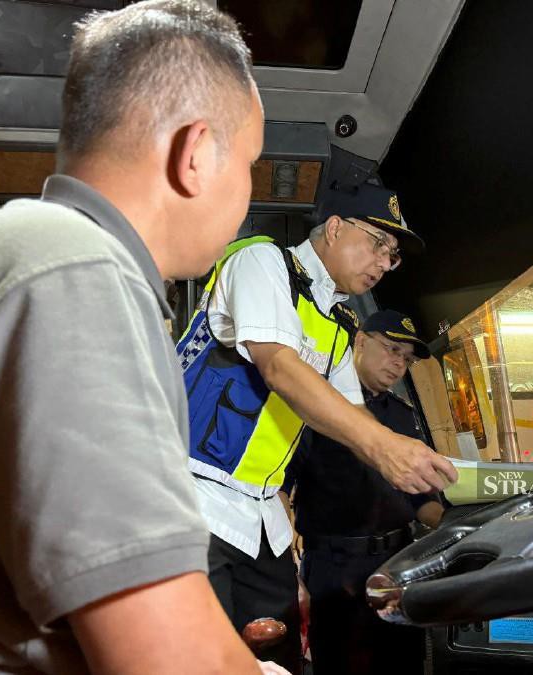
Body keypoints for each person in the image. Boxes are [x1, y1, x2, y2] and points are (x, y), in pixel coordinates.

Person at [0, 2, 287, 673]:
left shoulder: (27, 249)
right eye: (249, 163)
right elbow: (161, 659)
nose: (246, 192)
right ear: (195, 154)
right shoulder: (74, 268)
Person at [176, 183, 457, 671]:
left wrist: (435, 478)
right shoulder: (262, 262)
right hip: (194, 502)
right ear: (334, 228)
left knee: (278, 661)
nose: (383, 263)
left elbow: (351, 417)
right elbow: (279, 365)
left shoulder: (339, 322)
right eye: (377, 243)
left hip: (262, 520)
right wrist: (384, 446)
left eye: (392, 256)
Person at [281, 310, 443, 674]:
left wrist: (454, 525)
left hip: (398, 563)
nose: (398, 364)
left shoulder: (402, 416)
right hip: (336, 568)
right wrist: (289, 570)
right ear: (360, 341)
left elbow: (420, 499)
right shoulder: (320, 411)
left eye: (406, 358)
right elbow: (279, 487)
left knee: (403, 663)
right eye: (390, 349)